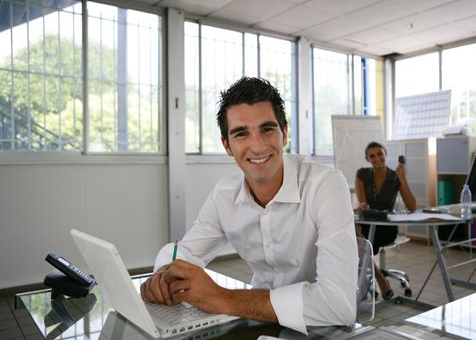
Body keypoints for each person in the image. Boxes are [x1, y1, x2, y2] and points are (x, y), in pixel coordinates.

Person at [140, 77, 358, 334]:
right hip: (257, 322)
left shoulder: (325, 185)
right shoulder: (224, 195)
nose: (256, 146)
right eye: (241, 133)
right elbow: (186, 252)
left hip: (320, 329)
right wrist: (163, 277)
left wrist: (220, 297)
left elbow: (339, 305)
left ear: (284, 133)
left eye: (267, 129)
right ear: (227, 145)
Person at [354, 141, 416, 300]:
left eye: (380, 154)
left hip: (386, 227)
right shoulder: (362, 174)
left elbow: (412, 206)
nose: (377, 158)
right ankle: (381, 279)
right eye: (372, 156)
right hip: (368, 225)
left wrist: (403, 179)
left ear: (386, 154)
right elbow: (362, 202)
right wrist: (361, 206)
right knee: (355, 238)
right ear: (367, 159)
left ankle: (375, 280)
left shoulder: (395, 177)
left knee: (358, 244)